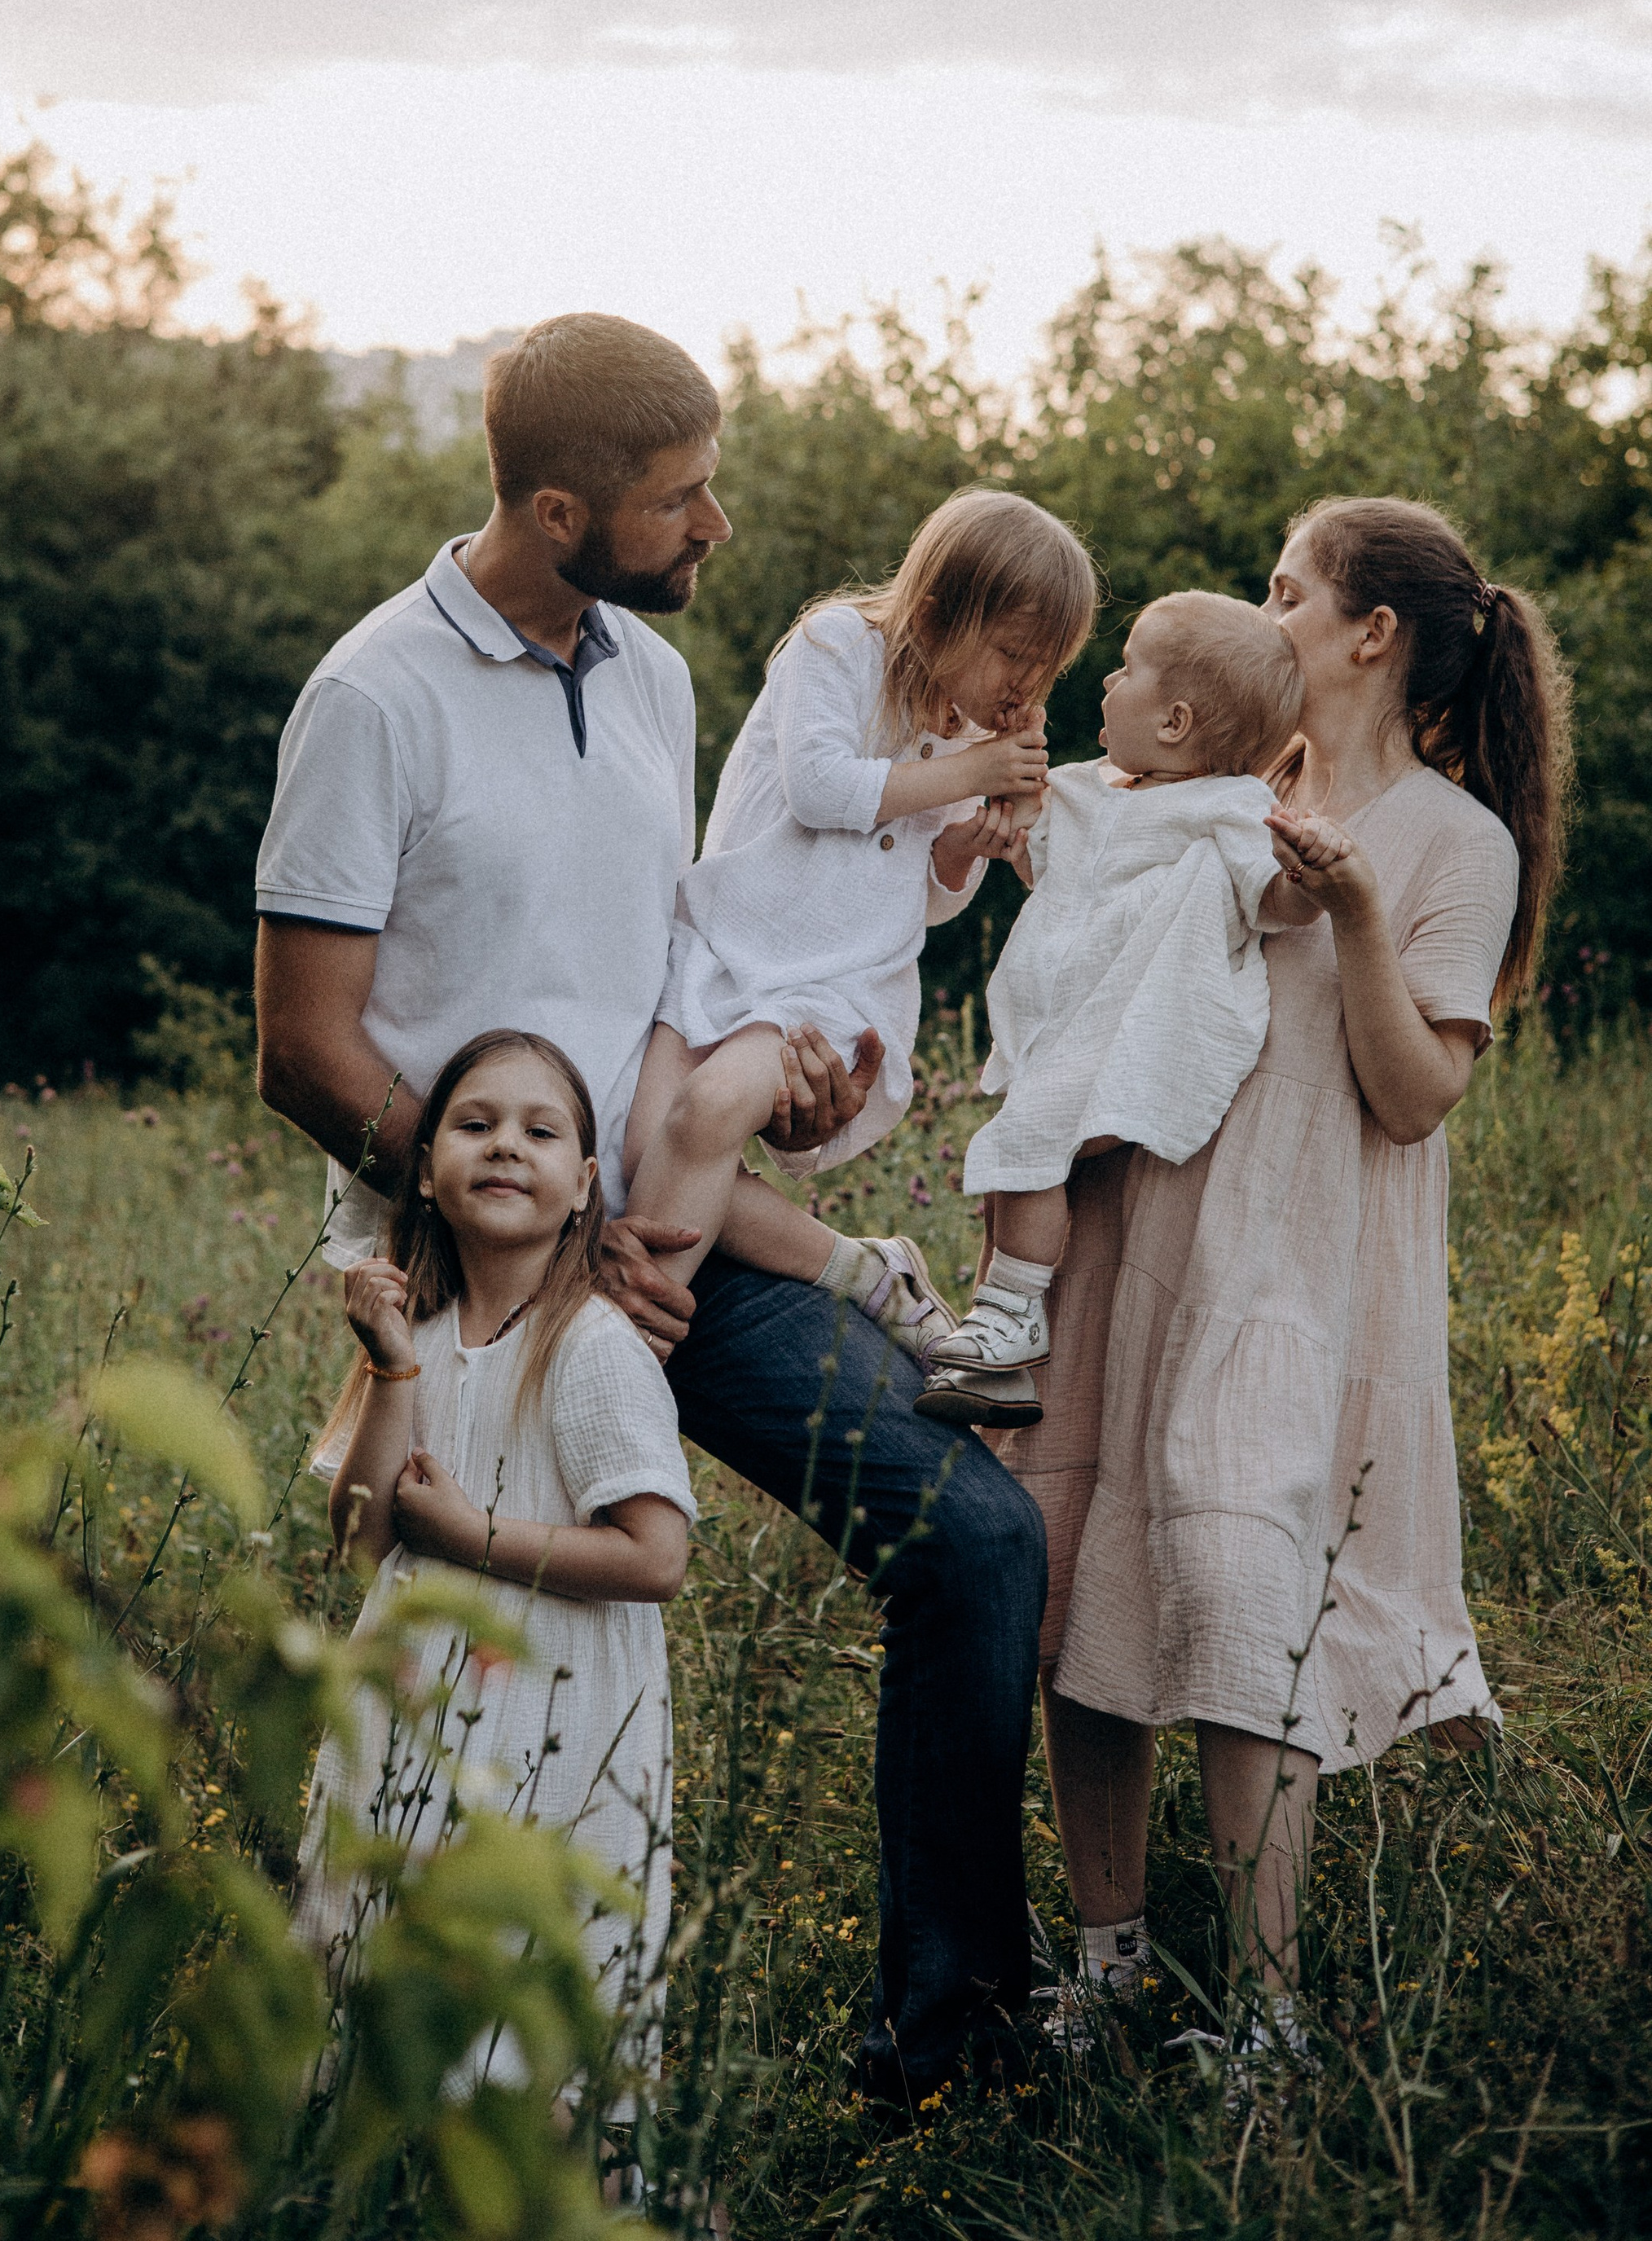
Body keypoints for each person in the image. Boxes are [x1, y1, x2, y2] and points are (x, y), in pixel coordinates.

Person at [257, 314, 1048, 2106]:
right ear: (559, 513)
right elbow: (304, 1046)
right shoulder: (372, 698)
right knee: (490, 1674)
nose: (716, 527)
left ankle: (949, 2051)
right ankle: (420, 2070)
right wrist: (526, 1229)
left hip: (672, 1240)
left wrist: (792, 1081)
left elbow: (685, 956)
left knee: (979, 1542)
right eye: (680, 499)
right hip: (479, 1274)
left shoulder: (657, 681)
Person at [1005, 499, 1568, 2075]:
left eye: (1286, 591)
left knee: (1247, 1582)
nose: (1264, 616)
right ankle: (1110, 1968)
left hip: (1295, 1263)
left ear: (1372, 634)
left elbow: (1415, 1096)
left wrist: (1363, 916)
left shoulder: (1455, 842)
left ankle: (1267, 2018)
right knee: (1085, 1574)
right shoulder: (1219, 789)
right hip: (1133, 1221)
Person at [297, 1030, 696, 2083]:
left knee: (530, 2005)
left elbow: (656, 1557)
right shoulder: (415, 1337)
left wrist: (472, 1536)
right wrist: (388, 1369)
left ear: (585, 1185)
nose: (506, 1145)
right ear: (427, 1173)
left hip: (552, 1721)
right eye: (475, 1125)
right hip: (410, 1713)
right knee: (383, 1953)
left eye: (539, 1131)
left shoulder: (591, 1345)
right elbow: (360, 1540)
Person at [621, 494, 1094, 1380]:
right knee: (642, 1157)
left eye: (1046, 667)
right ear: (936, 615)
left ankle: (631, 1348)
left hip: (838, 985)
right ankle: (867, 1273)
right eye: (1011, 654)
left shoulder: (969, 732)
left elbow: (926, 901)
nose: (1025, 686)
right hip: (721, 947)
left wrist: (966, 846)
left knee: (708, 1112)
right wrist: (973, 771)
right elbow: (819, 788)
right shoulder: (836, 645)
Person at [916, 592, 1307, 1426]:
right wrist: (1016, 791)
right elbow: (1048, 872)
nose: (1105, 682)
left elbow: (1269, 897)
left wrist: (1310, 882)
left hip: (1133, 1029)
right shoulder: (1087, 791)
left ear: (1173, 721)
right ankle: (1001, 1357)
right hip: (1065, 1027)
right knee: (1021, 1151)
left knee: (1027, 1144)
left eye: (1126, 668)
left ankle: (1012, 1316)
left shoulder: (1230, 804)